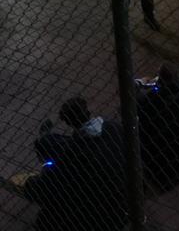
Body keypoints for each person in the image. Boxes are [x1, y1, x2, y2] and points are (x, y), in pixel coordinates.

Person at [26, 97, 127, 231]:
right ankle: (46, 139)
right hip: (121, 199)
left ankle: (44, 139)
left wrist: (38, 180)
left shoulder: (74, 150)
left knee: (34, 187)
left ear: (68, 122)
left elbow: (56, 177)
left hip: (92, 209)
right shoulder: (113, 127)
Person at [137, 63, 179, 194]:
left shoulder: (153, 100)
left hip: (162, 165)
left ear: (160, 81)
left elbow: (137, 103)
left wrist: (142, 84)